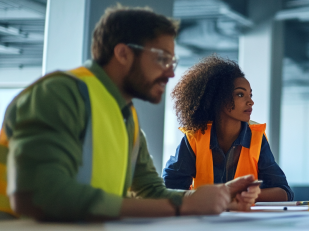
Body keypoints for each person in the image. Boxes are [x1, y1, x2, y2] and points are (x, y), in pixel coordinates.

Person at [0, 6, 257, 221]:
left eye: (172, 62)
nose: (170, 73)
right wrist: (182, 207)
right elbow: (38, 195)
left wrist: (215, 196)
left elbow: (151, 192)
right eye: (161, 58)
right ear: (123, 53)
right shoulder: (60, 94)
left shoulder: (127, 116)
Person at [163, 55, 293, 202]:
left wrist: (244, 195)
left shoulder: (257, 137)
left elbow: (284, 192)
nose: (251, 102)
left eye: (250, 95)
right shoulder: (194, 138)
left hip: (244, 223)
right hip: (203, 221)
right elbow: (169, 188)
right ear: (218, 98)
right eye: (240, 94)